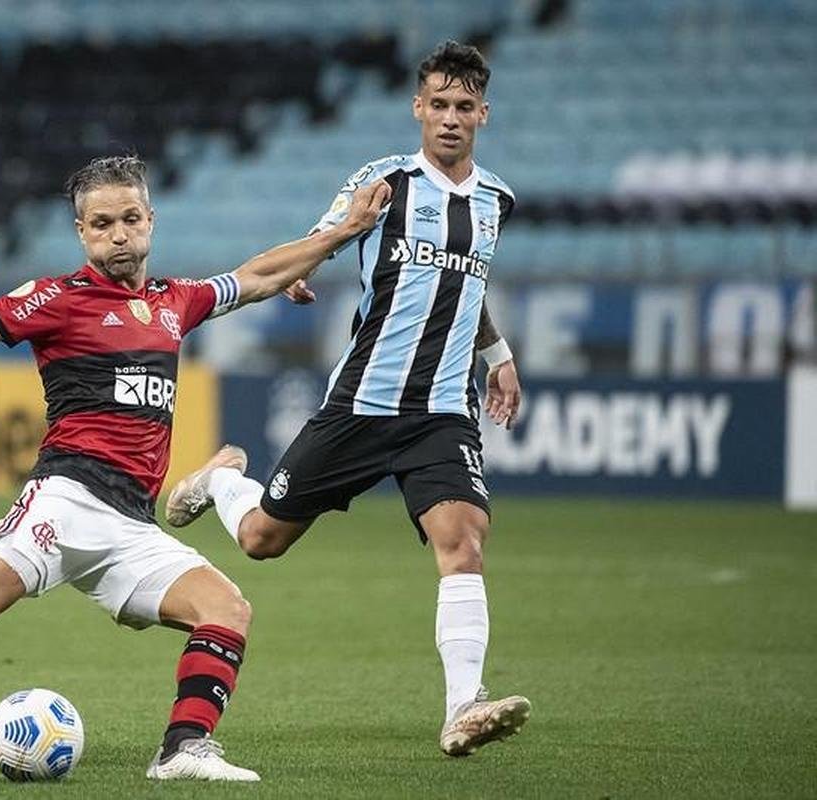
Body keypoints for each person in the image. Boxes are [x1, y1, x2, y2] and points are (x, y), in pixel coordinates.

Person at [0, 155, 390, 782]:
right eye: (103, 224)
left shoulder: (178, 301)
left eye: (131, 219)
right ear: (82, 232)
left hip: (133, 525)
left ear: (151, 220)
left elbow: (256, 275)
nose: (119, 235)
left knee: (227, 610)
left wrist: (337, 237)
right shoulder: (57, 299)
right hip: (67, 497)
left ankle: (183, 750)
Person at [164, 41, 529, 757]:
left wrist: (497, 355)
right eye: (438, 105)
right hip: (360, 404)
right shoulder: (382, 180)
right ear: (417, 108)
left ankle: (462, 707)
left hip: (440, 412)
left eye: (463, 107)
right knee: (262, 540)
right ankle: (222, 481)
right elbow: (323, 239)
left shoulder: (496, 201)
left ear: (482, 114)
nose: (449, 118)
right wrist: (309, 263)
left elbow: (465, 285)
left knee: (463, 543)